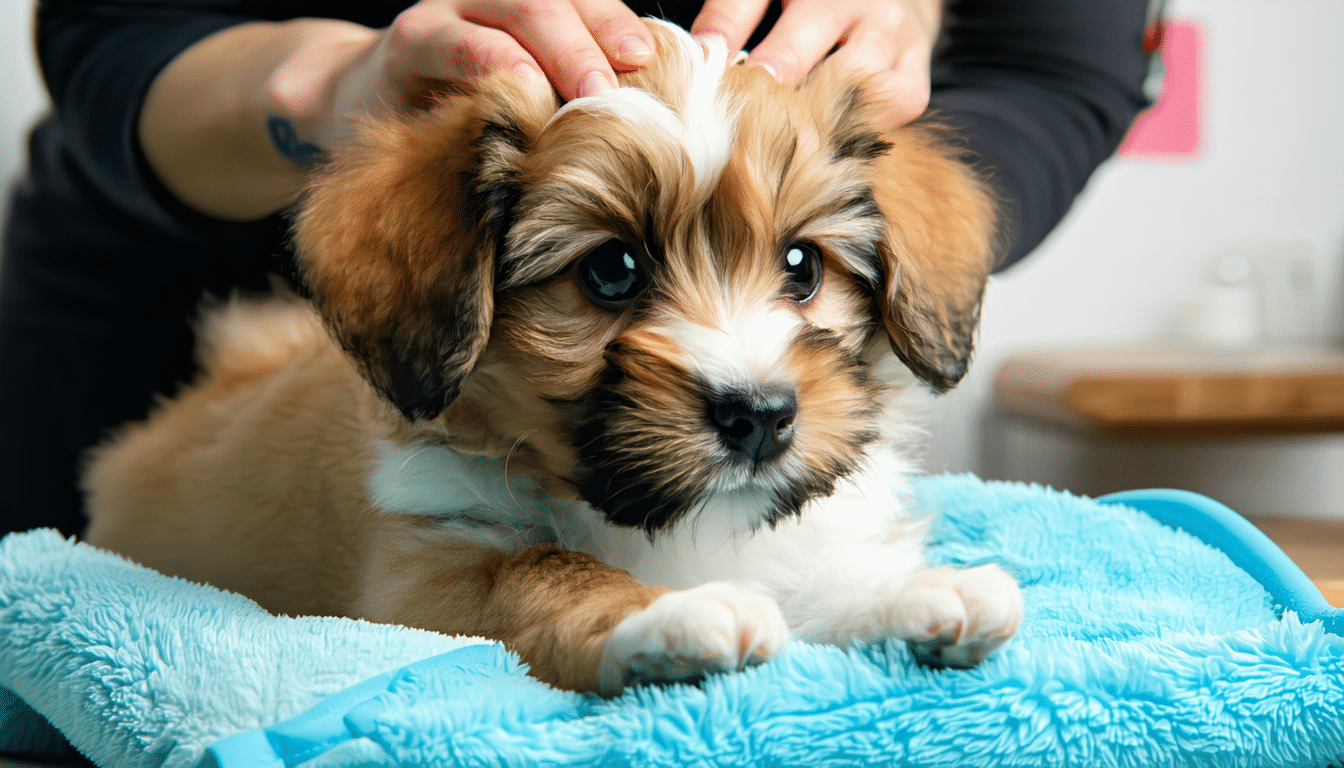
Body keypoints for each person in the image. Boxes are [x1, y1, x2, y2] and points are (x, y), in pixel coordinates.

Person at [0, 0, 1155, 538]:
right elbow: (116, 29)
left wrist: (857, 148)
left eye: (802, 269)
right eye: (611, 282)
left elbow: (1057, 67)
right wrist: (327, 89)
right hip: (174, 376)